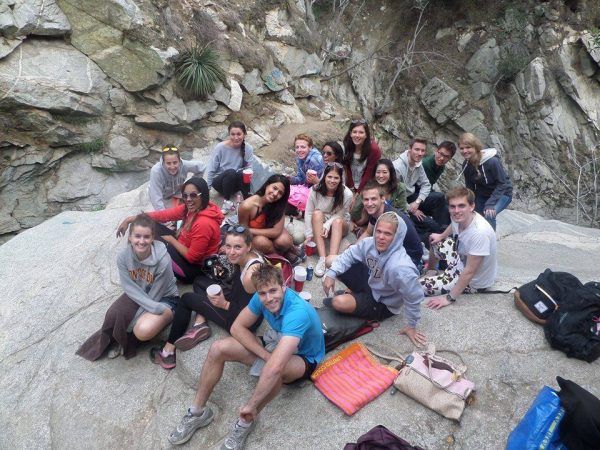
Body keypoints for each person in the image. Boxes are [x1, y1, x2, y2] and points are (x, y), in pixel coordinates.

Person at [168, 264, 324, 448]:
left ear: (284, 287)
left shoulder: (297, 313)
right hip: (277, 341)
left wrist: (251, 404)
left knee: (276, 371)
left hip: (304, 356)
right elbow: (237, 328)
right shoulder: (260, 298)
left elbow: (274, 367)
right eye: (263, 293)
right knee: (218, 348)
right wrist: (266, 355)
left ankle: (247, 419)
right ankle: (197, 412)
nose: (269, 298)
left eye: (273, 290)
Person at [150, 226, 264, 369]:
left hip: (240, 320)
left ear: (248, 246)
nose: (231, 252)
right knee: (200, 281)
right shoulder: (252, 257)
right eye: (228, 246)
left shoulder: (250, 276)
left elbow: (250, 312)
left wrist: (224, 305)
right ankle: (200, 323)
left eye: (237, 247)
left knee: (186, 299)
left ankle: (168, 352)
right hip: (234, 300)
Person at [77, 215, 179, 360]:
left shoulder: (163, 260)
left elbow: (155, 297)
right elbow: (128, 286)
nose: (142, 241)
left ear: (152, 238)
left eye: (146, 237)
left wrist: (129, 325)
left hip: (163, 300)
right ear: (130, 237)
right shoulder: (123, 257)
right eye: (137, 236)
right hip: (140, 292)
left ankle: (126, 341)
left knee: (141, 329)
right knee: (113, 313)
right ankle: (114, 341)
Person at [322, 212, 427, 346]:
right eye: (378, 231)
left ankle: (359, 305)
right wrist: (331, 274)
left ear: (397, 237)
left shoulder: (401, 268)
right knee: (331, 261)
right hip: (371, 281)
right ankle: (355, 296)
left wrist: (411, 325)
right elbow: (349, 255)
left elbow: (414, 297)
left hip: (383, 302)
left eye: (388, 234)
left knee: (338, 302)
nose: (381, 237)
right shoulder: (369, 243)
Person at [117, 177, 223, 283]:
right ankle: (137, 263)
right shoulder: (192, 207)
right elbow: (163, 215)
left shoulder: (204, 224)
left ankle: (142, 272)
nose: (188, 199)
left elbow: (192, 257)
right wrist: (130, 219)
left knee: (154, 243)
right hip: (182, 246)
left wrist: (171, 240)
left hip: (191, 269)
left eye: (193, 195)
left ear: (203, 195)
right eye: (185, 196)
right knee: (143, 225)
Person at [421, 187, 497, 310]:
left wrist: (449, 298)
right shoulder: (459, 216)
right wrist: (441, 236)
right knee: (435, 240)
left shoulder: (479, 233)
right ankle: (431, 270)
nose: (456, 210)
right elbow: (453, 225)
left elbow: (470, 271)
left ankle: (436, 281)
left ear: (472, 206)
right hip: (461, 260)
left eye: (461, 206)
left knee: (418, 287)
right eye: (452, 206)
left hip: (473, 281)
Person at [355, 181, 423, 269]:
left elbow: (385, 250)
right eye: (366, 199)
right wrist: (352, 250)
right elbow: (368, 233)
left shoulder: (389, 218)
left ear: (382, 198)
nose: (369, 203)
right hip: (394, 251)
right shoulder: (376, 211)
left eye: (373, 199)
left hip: (409, 258)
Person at [238, 174, 304, 264]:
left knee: (284, 241)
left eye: (280, 193)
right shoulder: (247, 206)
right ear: (267, 185)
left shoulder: (279, 204)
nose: (275, 194)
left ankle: (289, 248)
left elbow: (276, 231)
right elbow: (243, 232)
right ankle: (281, 255)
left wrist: (250, 230)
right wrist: (249, 232)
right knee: (261, 242)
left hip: (269, 232)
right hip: (255, 238)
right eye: (274, 188)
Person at [304, 163, 353, 277]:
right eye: (329, 177)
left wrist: (327, 224)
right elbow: (309, 212)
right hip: (320, 221)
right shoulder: (315, 190)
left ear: (341, 180)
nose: (332, 180)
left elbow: (340, 214)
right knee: (316, 213)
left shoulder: (347, 194)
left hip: (339, 222)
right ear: (324, 177)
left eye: (336, 178)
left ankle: (332, 260)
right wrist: (309, 234)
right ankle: (322, 259)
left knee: (337, 222)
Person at [458, 133, 513, 230]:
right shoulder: (466, 165)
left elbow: (502, 183)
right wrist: (469, 203)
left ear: (476, 147)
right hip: (483, 194)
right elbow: (470, 187)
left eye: (468, 147)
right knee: (472, 214)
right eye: (462, 148)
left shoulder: (492, 162)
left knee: (489, 214)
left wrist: (490, 204)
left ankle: (490, 242)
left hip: (502, 194)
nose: (465, 151)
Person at [393, 138, 449, 231]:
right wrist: (411, 209)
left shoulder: (418, 164)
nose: (420, 153)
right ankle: (437, 232)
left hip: (412, 198)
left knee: (440, 197)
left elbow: (426, 185)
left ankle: (444, 230)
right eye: (417, 149)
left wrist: (417, 202)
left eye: (423, 150)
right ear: (410, 149)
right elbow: (394, 196)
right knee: (431, 225)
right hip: (400, 204)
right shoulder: (397, 167)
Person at [206, 121, 255, 214]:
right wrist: (207, 189)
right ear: (229, 134)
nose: (236, 137)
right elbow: (211, 169)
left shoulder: (248, 148)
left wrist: (246, 173)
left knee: (243, 173)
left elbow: (250, 168)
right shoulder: (220, 147)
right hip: (220, 182)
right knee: (231, 172)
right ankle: (226, 202)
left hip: (235, 183)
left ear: (244, 134)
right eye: (233, 134)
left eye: (239, 134)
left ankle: (247, 202)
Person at [352, 158, 408, 230]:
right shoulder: (371, 186)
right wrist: (353, 220)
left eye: (384, 172)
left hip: (395, 222)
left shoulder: (400, 187)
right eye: (378, 172)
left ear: (390, 173)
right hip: (373, 221)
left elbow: (402, 211)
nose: (381, 176)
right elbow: (356, 209)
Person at [148, 145, 206, 211]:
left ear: (179, 161)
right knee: (172, 216)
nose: (172, 167)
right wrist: (165, 218)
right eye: (168, 163)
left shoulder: (184, 165)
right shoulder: (156, 171)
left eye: (175, 162)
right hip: (164, 197)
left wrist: (190, 185)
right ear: (163, 163)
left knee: (195, 209)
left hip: (178, 192)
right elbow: (156, 199)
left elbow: (202, 167)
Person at [288, 134, 324, 215]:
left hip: (319, 193)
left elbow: (320, 185)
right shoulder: (301, 158)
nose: (299, 150)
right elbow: (301, 178)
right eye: (297, 147)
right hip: (308, 188)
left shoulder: (314, 160)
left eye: (303, 147)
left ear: (310, 147)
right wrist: (291, 179)